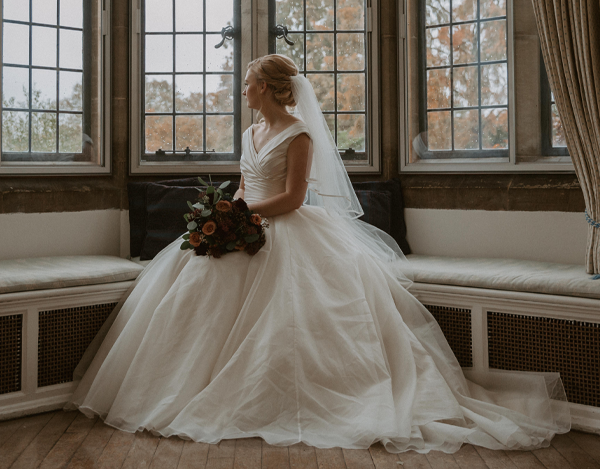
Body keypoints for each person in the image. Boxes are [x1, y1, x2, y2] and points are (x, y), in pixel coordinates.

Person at [67, 54, 570, 453]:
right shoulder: (249, 132)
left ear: (265, 86)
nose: (242, 90)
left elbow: (291, 198)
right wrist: (226, 215)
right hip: (244, 224)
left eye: (246, 83)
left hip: (287, 230)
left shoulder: (298, 133)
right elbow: (244, 184)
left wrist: (244, 216)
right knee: (193, 283)